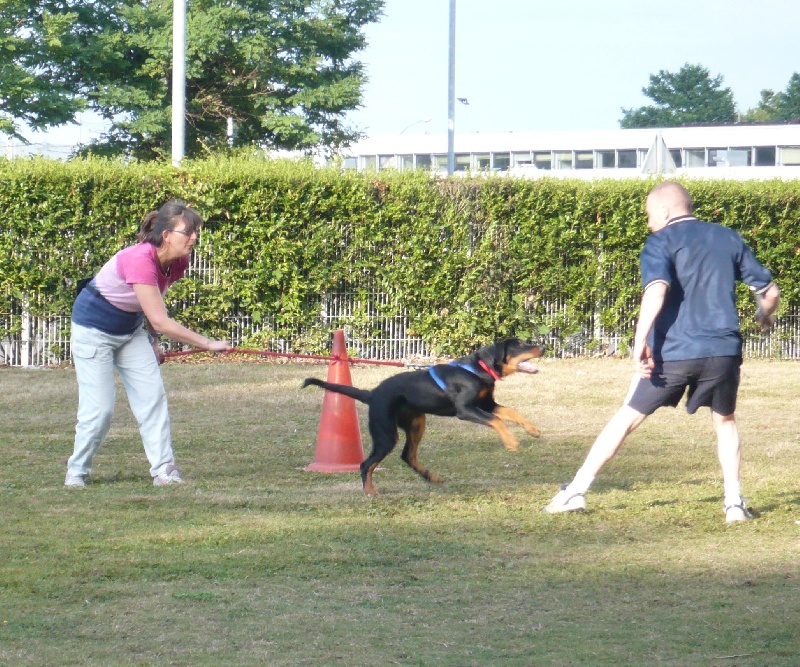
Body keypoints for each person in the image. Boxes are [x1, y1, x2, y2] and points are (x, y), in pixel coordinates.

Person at [544, 181, 780, 523]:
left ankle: (575, 492)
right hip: (723, 350)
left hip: (675, 352)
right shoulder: (727, 237)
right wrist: (763, 315)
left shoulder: (660, 241)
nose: (649, 222)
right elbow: (769, 292)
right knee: (725, 422)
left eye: (650, 215)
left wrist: (639, 341)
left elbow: (656, 291)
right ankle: (733, 504)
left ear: (666, 211)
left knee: (627, 418)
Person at [65, 200, 231, 487]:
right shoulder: (139, 258)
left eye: (196, 232)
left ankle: (164, 470)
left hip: (130, 331)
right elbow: (162, 320)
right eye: (188, 232)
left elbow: (152, 304)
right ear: (166, 235)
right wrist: (207, 343)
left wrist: (153, 343)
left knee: (152, 398)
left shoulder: (178, 262)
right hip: (93, 331)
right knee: (100, 410)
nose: (194, 238)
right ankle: (77, 471)